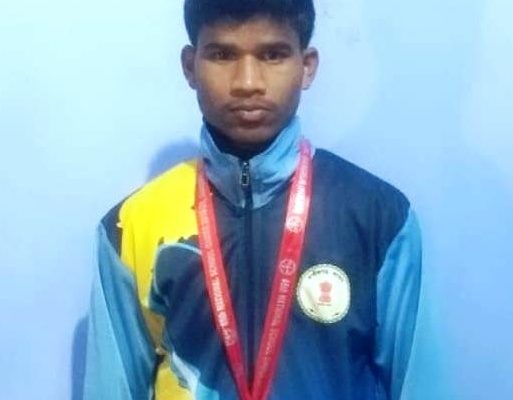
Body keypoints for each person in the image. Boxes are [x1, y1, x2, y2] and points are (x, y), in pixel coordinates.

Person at [84, 0, 422, 399]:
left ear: (307, 66)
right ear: (190, 66)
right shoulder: (132, 225)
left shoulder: (379, 217)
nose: (247, 82)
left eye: (273, 54)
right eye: (222, 54)